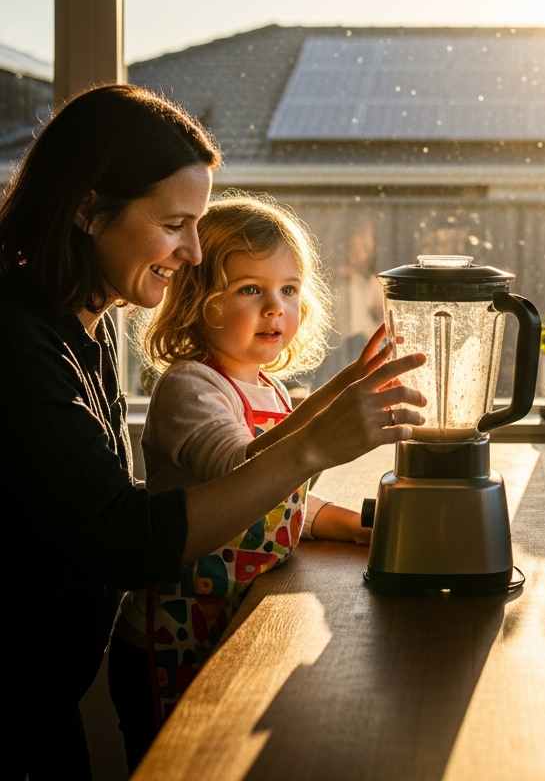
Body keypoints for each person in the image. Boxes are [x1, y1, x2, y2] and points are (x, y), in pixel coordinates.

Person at [1, 85, 425, 780]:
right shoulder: (15, 344)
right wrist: (317, 442)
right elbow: (124, 539)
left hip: (49, 702)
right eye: (175, 224)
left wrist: (340, 397)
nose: (195, 253)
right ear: (86, 210)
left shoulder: (85, 318)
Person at [109, 193, 384, 768]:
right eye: (249, 289)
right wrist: (332, 406)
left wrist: (353, 525)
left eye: (288, 289)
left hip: (231, 619)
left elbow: (283, 500)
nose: (275, 308)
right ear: (196, 302)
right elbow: (246, 473)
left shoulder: (273, 392)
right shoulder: (191, 388)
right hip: (169, 636)